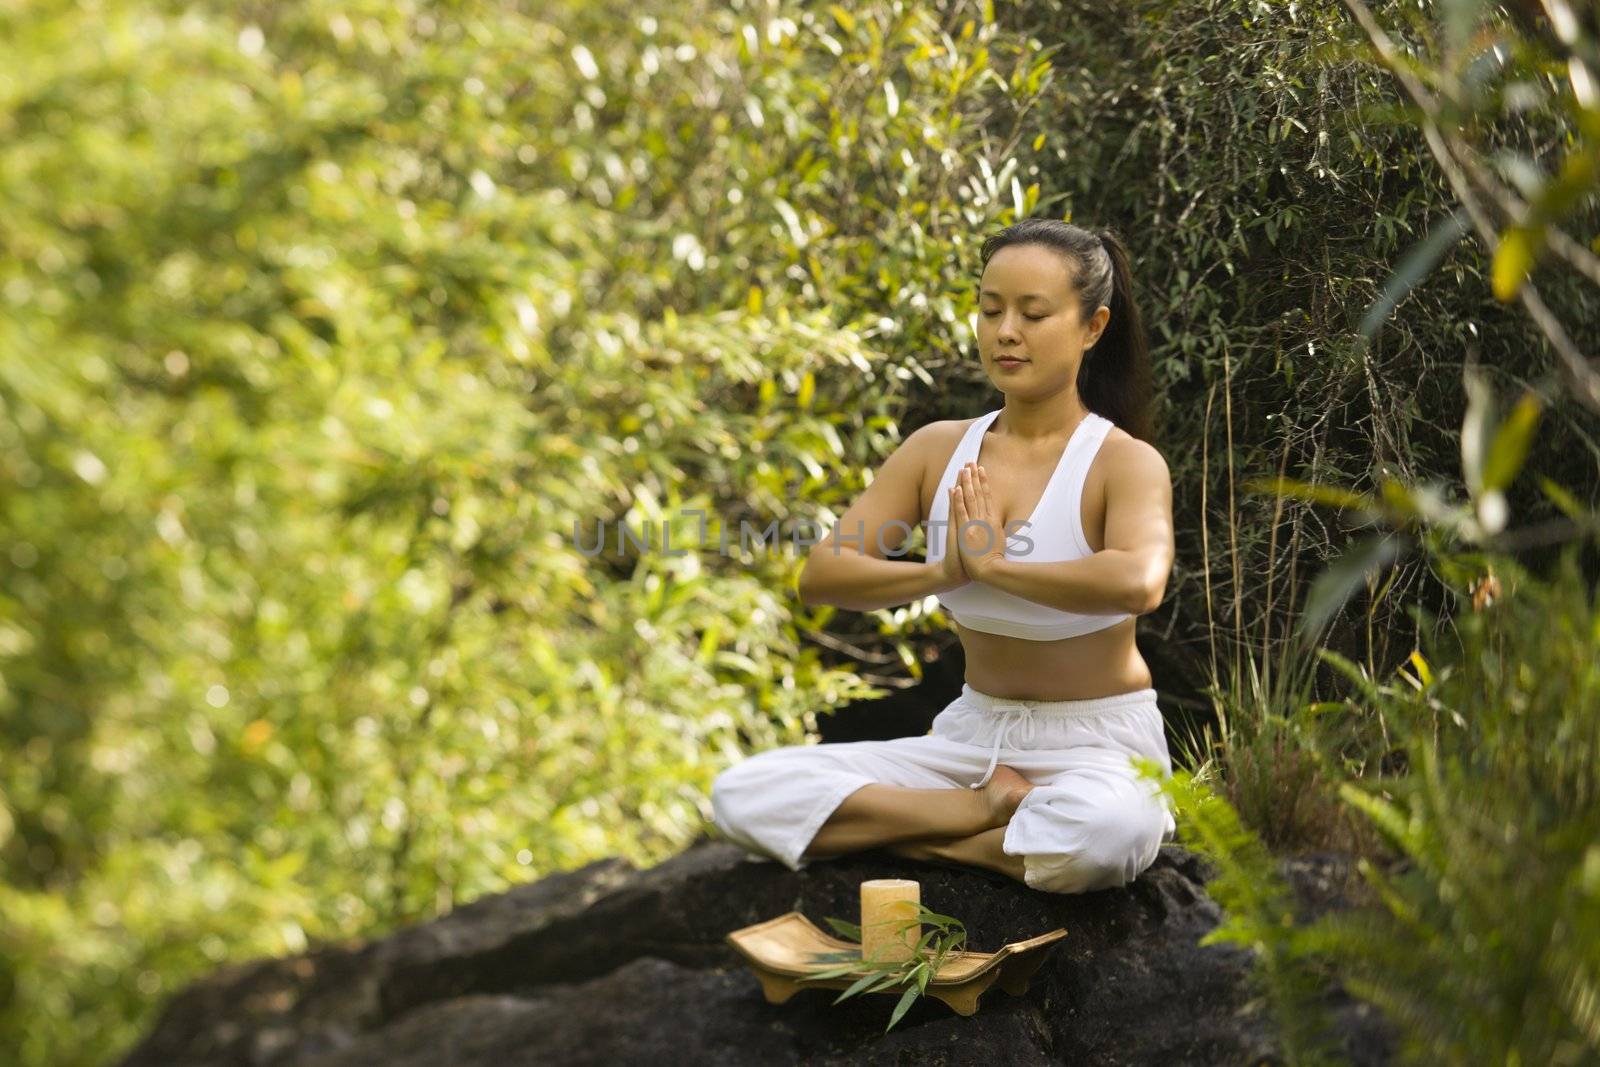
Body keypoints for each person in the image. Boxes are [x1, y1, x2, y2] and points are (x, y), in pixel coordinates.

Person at [709, 219, 1178, 894]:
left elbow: (1138, 580)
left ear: (1092, 326)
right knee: (743, 793)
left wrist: (995, 568)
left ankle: (928, 835)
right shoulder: (939, 449)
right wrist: (942, 572)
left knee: (1097, 837)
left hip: (1097, 744)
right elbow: (824, 573)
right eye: (990, 310)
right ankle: (981, 822)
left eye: (1033, 313)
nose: (1005, 331)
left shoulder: (1122, 462)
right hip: (970, 743)